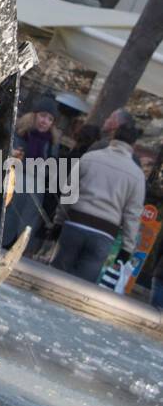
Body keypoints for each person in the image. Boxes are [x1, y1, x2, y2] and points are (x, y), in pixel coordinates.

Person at [52, 117, 146, 284]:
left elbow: (68, 193)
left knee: (56, 278)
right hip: (104, 233)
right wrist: (126, 248)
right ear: (133, 145)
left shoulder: (90, 157)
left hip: (75, 222)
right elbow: (132, 214)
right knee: (84, 285)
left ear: (113, 137)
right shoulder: (137, 175)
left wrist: (58, 222)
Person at [3, 97, 61, 254]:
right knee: (5, 223)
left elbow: (51, 170)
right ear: (34, 115)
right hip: (13, 186)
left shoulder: (52, 144)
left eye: (50, 119)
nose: (45, 121)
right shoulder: (19, 134)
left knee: (23, 227)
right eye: (43, 115)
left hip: (34, 193)